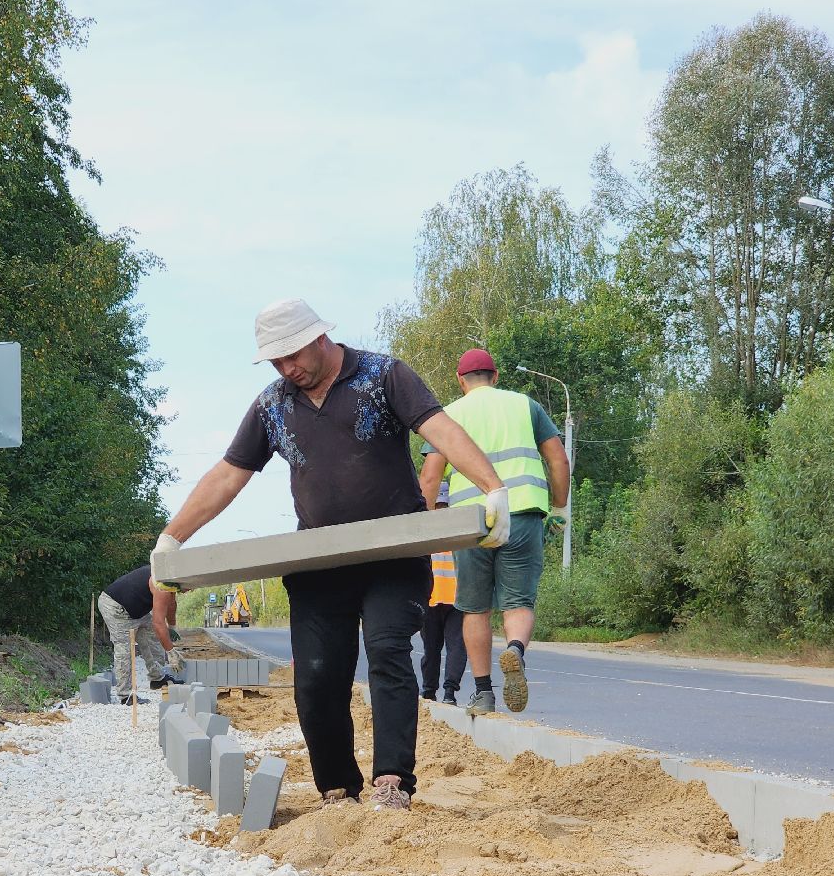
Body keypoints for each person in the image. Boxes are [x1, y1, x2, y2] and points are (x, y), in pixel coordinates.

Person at [151, 298, 511, 811]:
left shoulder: (384, 376)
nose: (287, 368)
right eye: (276, 362)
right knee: (317, 672)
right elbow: (228, 477)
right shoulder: (273, 404)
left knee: (388, 651)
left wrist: (493, 489)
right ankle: (337, 789)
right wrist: (171, 540)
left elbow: (440, 430)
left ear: (320, 338)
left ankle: (392, 783)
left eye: (293, 355)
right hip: (320, 563)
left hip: (393, 553)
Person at [418, 348, 570, 716]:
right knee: (518, 602)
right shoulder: (525, 405)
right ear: (496, 376)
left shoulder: (448, 415)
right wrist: (559, 505)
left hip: (472, 521)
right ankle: (515, 649)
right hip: (523, 513)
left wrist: (428, 529)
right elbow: (558, 459)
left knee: (474, 608)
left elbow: (429, 477)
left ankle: (484, 692)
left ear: (461, 381)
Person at [98, 566, 185, 703]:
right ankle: (125, 695)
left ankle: (157, 678)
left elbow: (171, 604)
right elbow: (158, 622)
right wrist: (171, 651)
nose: (191, 590)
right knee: (125, 650)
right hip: (115, 607)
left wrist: (172, 626)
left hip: (136, 609)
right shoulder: (162, 585)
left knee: (153, 637)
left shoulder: (169, 580)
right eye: (190, 587)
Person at [416, 478, 467, 705]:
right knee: (456, 646)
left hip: (432, 596)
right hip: (459, 596)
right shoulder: (460, 526)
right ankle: (449, 693)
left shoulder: (425, 527)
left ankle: (429, 692)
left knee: (431, 648)